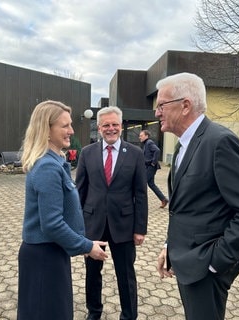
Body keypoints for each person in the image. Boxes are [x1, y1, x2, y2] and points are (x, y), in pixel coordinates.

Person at [155, 73, 239, 320]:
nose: (156, 112)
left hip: (205, 266)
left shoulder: (220, 142)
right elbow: (183, 207)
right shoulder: (183, 144)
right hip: (186, 260)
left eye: (161, 105)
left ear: (185, 105)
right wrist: (170, 246)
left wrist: (217, 262)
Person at [17, 100, 108, 320]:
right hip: (44, 257)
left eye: (70, 125)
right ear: (47, 130)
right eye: (64, 126)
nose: (71, 130)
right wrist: (86, 246)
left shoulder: (53, 161)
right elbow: (52, 224)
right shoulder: (48, 166)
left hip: (51, 253)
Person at [75, 106, 148, 320]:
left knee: (125, 275)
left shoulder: (135, 153)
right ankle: (94, 312)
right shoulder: (87, 153)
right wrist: (79, 228)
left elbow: (140, 194)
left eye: (115, 124)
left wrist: (140, 229)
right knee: (92, 274)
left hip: (124, 225)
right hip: (93, 224)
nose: (111, 128)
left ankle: (128, 315)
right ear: (98, 128)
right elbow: (80, 190)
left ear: (121, 126)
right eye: (106, 125)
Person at [139, 129, 169, 208]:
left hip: (151, 167)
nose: (140, 137)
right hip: (148, 166)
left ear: (146, 136)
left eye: (141, 136)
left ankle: (140, 202)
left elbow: (157, 150)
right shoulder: (146, 144)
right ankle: (163, 199)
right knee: (151, 184)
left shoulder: (149, 143)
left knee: (142, 182)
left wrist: (153, 162)